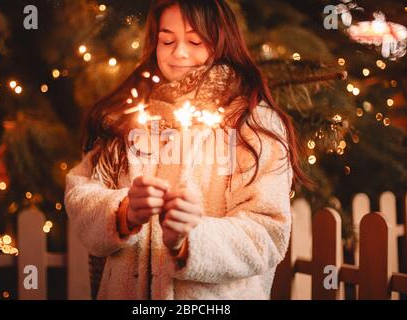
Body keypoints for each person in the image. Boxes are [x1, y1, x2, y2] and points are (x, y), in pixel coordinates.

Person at [64, 0, 310, 300]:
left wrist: (190, 239)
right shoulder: (128, 119)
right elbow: (80, 193)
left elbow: (267, 234)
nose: (179, 52)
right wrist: (123, 211)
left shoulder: (252, 125)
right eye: (167, 40)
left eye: (195, 41)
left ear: (222, 43)